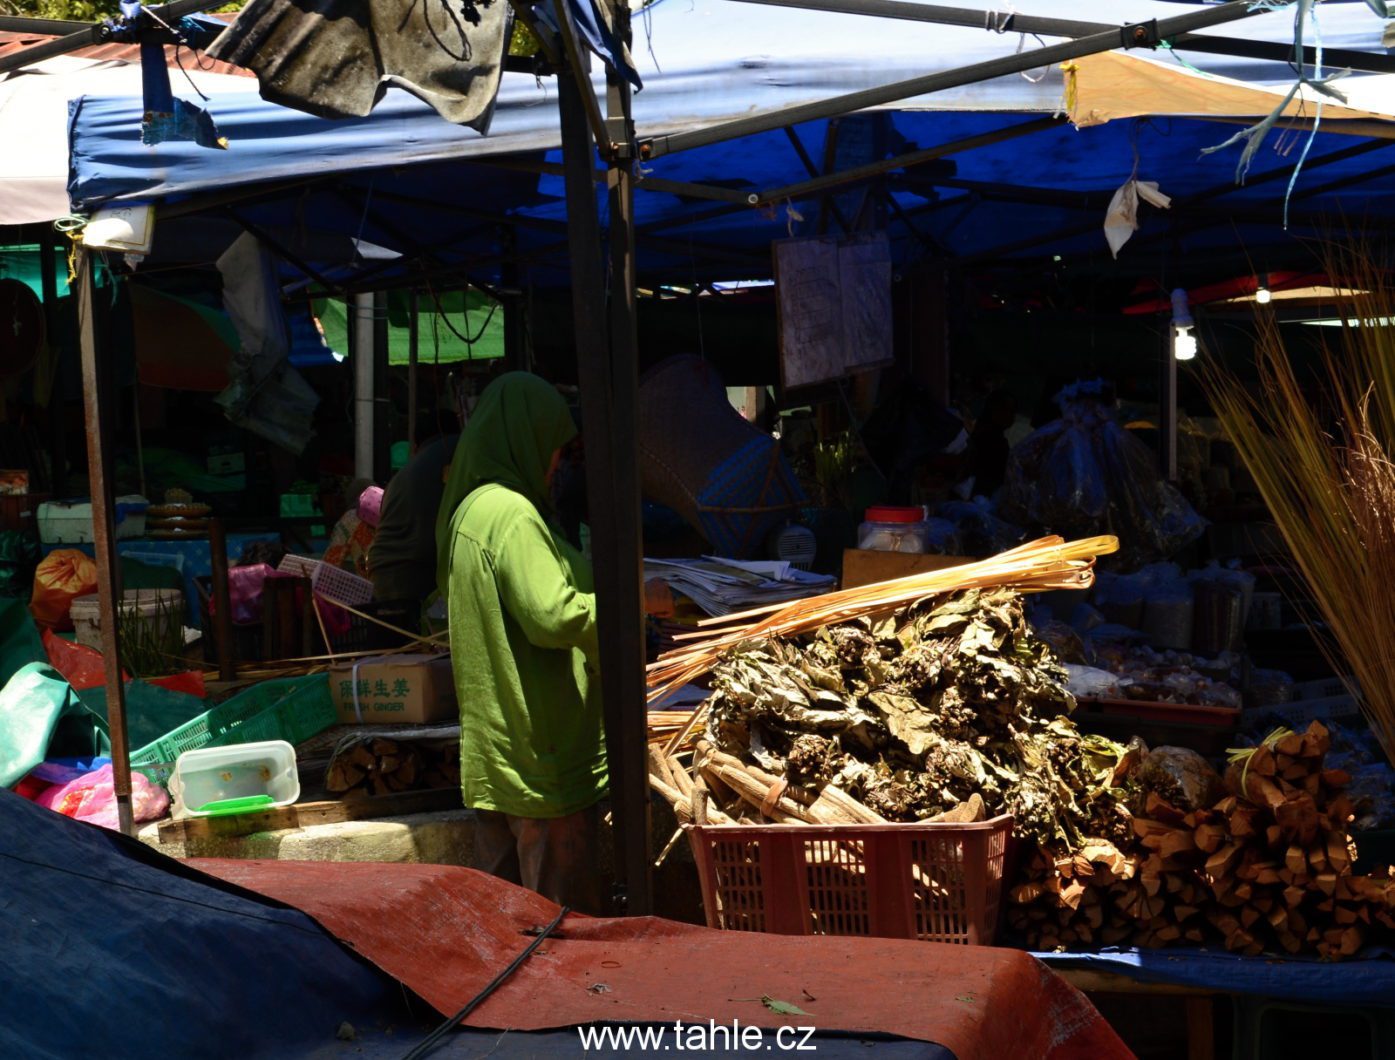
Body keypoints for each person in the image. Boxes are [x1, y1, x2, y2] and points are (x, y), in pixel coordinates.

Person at [436, 372, 604, 913]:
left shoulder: (469, 509)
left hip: (499, 758)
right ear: (525, 439)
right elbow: (552, 616)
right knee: (564, 935)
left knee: (507, 930)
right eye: (553, 449)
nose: (557, 463)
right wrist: (629, 606)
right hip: (541, 757)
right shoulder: (512, 515)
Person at [369, 431, 459, 607]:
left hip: (384, 576)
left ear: (416, 446)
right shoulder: (454, 452)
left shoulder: (408, 471)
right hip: (412, 577)